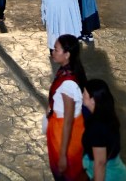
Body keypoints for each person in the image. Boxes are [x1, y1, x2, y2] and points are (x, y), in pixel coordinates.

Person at [45, 35, 88, 181]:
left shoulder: (68, 84)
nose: (53, 52)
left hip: (64, 132)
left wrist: (63, 154)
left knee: (67, 175)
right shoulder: (67, 70)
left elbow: (68, 120)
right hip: (61, 126)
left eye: (56, 49)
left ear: (67, 54)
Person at [81, 78, 126, 181]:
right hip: (117, 171)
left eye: (84, 94)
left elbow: (100, 163)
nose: (82, 96)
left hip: (108, 176)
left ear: (92, 100)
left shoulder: (97, 127)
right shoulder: (107, 115)